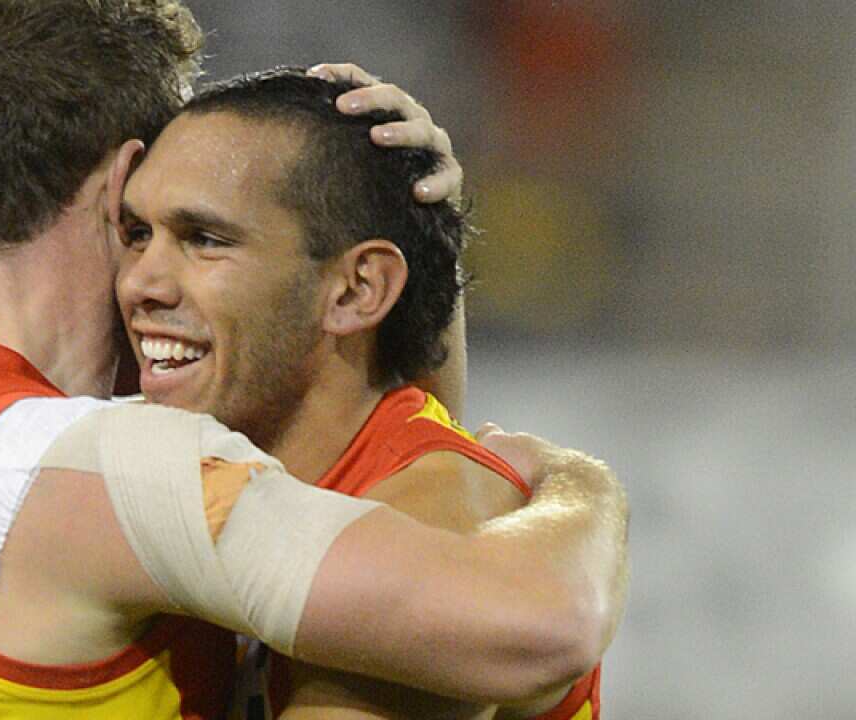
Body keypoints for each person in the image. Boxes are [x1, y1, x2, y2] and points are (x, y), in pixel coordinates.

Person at [0, 2, 628, 718]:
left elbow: (386, 457)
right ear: (127, 178)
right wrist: (581, 487)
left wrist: (407, 244)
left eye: (202, 236)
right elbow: (535, 621)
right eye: (149, 227)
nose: (152, 279)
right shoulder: (113, 471)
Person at [113, 67, 618, 720]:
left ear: (356, 291)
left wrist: (585, 484)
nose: (138, 284)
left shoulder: (430, 530)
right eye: (135, 235)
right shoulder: (290, 475)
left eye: (205, 240)